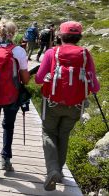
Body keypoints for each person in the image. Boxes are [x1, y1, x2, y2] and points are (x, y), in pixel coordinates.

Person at [35, 21, 100, 191]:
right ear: (79, 37)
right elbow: (95, 86)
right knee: (64, 134)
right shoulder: (85, 54)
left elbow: (39, 79)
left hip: (52, 103)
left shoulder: (52, 53)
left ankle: (53, 170)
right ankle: (59, 171)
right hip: (76, 106)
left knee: (48, 132)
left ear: (60, 36)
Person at [0, 19, 30, 182]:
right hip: (11, 97)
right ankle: (6, 161)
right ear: (13, 33)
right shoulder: (19, 52)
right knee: (8, 125)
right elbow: (26, 79)